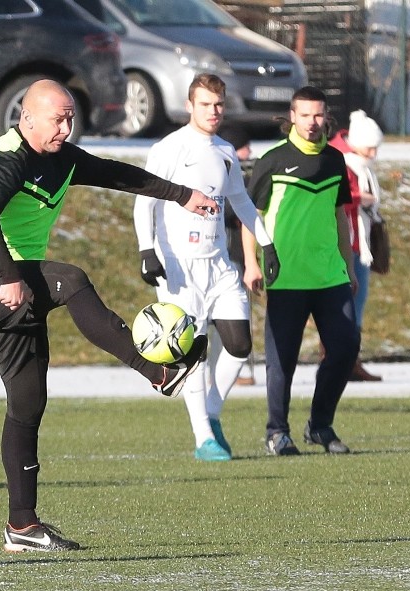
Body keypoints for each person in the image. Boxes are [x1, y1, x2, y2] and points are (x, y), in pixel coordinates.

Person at [0, 79, 216, 552]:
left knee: (28, 404)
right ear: (26, 117)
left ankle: (22, 526)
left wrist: (181, 195)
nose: (66, 126)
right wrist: (8, 276)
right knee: (70, 279)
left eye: (71, 117)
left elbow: (117, 174)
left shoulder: (64, 158)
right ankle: (157, 371)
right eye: (58, 118)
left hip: (19, 287)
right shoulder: (6, 158)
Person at [133, 73, 279, 461]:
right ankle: (203, 439)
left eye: (219, 105)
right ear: (190, 105)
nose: (213, 112)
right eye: (205, 105)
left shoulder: (226, 151)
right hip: (179, 268)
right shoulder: (169, 148)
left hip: (218, 264)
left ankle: (211, 414)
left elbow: (242, 202)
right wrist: (146, 251)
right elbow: (144, 202)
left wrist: (266, 243)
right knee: (192, 352)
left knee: (239, 344)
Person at [242, 85, 360, 456]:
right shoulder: (273, 160)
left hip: (329, 275)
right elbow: (251, 217)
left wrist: (349, 265)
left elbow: (341, 216)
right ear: (292, 117)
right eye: (305, 115)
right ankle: (277, 432)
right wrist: (251, 263)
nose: (312, 122)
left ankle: (320, 426)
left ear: (327, 117)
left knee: (345, 349)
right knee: (283, 361)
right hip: (286, 275)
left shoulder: (335, 161)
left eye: (318, 115)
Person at [328, 110, 384, 382]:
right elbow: (332, 196)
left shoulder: (359, 162)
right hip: (344, 240)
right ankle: (337, 359)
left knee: (358, 303)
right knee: (343, 304)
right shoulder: (338, 159)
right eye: (370, 147)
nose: (373, 153)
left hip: (360, 240)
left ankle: (351, 359)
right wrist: (357, 198)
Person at [215, 123, 256, 386]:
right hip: (224, 256)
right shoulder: (220, 172)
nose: (248, 152)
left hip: (239, 258)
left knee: (240, 317)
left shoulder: (240, 173)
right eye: (243, 148)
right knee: (223, 320)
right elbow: (230, 211)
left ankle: (242, 369)